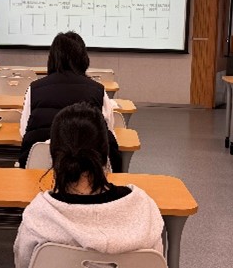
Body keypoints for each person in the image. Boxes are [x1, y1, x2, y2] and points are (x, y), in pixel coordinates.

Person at [14, 103, 164, 268]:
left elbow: (23, 263)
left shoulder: (38, 216)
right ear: (105, 153)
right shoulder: (144, 210)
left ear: (54, 155)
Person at [18, 31, 118, 168]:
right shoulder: (98, 90)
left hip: (38, 167)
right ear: (84, 58)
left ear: (52, 58)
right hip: (87, 169)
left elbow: (24, 131)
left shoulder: (34, 88)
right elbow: (107, 131)